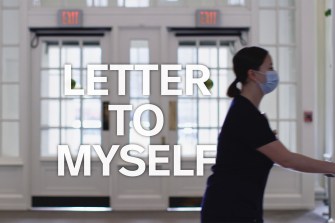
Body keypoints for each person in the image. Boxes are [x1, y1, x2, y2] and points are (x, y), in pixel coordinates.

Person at [200, 46, 335, 223]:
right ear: (253, 74)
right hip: (229, 209)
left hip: (238, 204)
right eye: (269, 68)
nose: (274, 73)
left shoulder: (245, 110)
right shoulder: (246, 115)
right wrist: (331, 167)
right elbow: (287, 160)